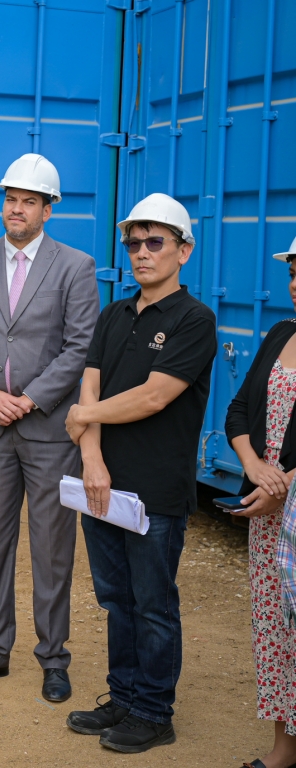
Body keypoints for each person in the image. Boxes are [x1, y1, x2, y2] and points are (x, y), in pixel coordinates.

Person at [0, 154, 100, 702]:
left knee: (53, 546)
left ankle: (53, 658)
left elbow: (80, 347)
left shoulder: (75, 267)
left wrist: (29, 399)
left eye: (29, 201)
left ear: (48, 210)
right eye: (11, 198)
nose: (17, 208)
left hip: (49, 431)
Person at [63, 193, 216, 754]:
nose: (142, 252)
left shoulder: (195, 319)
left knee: (153, 603)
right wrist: (93, 456)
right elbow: (91, 381)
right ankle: (124, 697)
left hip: (154, 489)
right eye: (134, 242)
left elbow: (155, 397)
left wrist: (82, 419)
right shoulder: (115, 313)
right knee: (115, 599)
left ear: (183, 250)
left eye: (155, 242)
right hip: (102, 483)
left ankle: (155, 711)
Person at [226, 234, 296, 768]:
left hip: (288, 502)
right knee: (275, 627)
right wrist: (255, 470)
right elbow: (240, 409)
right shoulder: (280, 333)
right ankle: (283, 749)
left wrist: (284, 484)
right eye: (293, 274)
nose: (294, 285)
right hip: (270, 509)